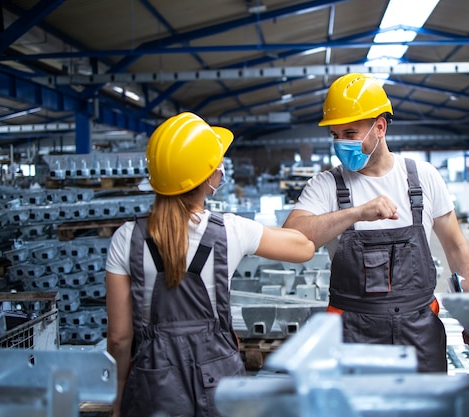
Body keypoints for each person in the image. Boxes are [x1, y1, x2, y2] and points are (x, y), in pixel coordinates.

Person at [105, 112, 316, 417]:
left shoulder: (126, 238)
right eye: (217, 164)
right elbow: (304, 248)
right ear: (209, 177)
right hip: (218, 384)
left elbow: (119, 338)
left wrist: (118, 395)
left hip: (153, 383)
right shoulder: (231, 231)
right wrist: (348, 211)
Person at [283, 73, 469, 373]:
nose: (341, 144)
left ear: (380, 127)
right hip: (353, 336)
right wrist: (356, 213)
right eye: (335, 136)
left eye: (350, 133)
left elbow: (456, 248)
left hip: (420, 333)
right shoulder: (326, 185)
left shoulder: (422, 178)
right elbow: (292, 236)